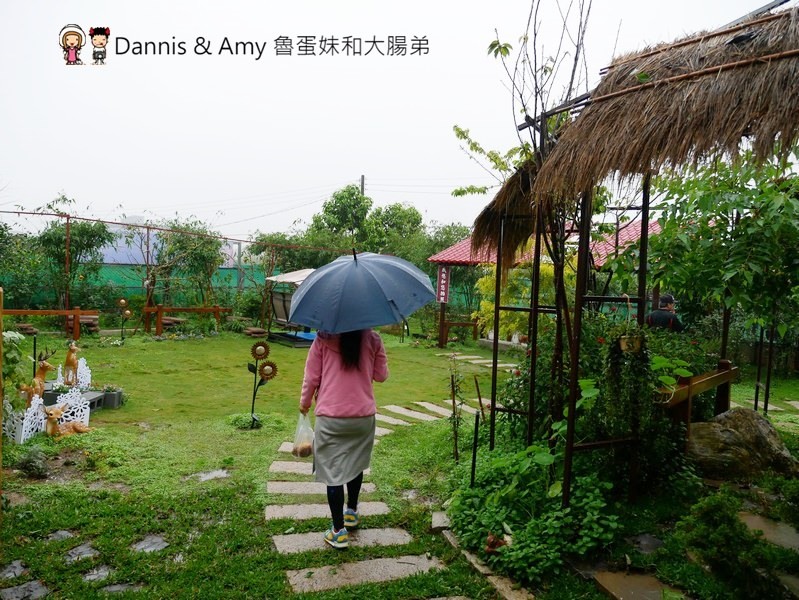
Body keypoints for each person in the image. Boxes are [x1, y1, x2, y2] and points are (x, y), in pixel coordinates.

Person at [299, 328, 389, 549]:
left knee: (332, 472)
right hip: (363, 416)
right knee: (355, 463)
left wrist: (305, 403)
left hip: (331, 417)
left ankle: (338, 531)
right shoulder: (372, 338)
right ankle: (351, 512)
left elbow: (311, 378)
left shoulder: (322, 339)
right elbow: (381, 375)